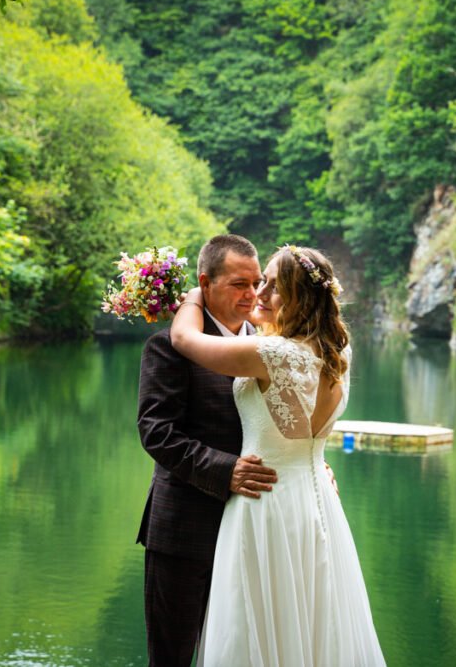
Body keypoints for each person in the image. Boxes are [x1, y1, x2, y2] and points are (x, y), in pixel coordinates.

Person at [170, 244, 385, 666]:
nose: (259, 293)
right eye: (259, 282)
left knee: (257, 624)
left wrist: (196, 295)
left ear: (300, 298)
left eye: (272, 285)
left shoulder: (272, 354)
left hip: (264, 502)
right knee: (317, 617)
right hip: (317, 499)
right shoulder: (338, 353)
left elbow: (183, 339)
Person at [136, 234, 281, 666]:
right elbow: (156, 431)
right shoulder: (169, 346)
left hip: (259, 527)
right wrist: (226, 470)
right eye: (239, 283)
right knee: (173, 656)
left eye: (256, 283)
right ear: (205, 283)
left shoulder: (273, 345)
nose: (252, 294)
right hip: (186, 529)